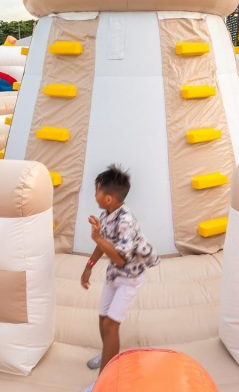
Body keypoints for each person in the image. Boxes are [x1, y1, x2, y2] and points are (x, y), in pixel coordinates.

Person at [80, 165, 160, 387]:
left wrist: (97, 238)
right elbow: (103, 245)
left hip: (130, 278)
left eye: (96, 191)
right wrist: (89, 266)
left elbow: (121, 259)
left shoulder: (126, 221)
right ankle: (108, 353)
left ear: (108, 198)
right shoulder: (105, 215)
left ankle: (104, 382)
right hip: (114, 275)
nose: (94, 195)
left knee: (111, 325)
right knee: (102, 318)